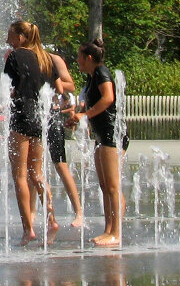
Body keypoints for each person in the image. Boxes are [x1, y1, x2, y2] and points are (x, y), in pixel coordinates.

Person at [3, 20, 58, 245]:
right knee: (36, 174)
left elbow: (7, 88)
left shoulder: (15, 57)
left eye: (11, 35)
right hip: (38, 117)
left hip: (21, 117)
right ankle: (52, 219)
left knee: (19, 176)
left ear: (21, 38)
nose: (8, 39)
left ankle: (28, 229)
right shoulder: (43, 57)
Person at [69, 39, 122, 247]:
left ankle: (116, 233)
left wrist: (85, 115)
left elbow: (108, 98)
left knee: (112, 187)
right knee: (104, 186)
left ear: (89, 58)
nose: (77, 60)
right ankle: (108, 230)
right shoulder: (93, 77)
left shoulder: (101, 72)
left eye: (80, 56)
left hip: (111, 135)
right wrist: (79, 118)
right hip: (101, 135)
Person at [48, 52, 84, 228]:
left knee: (60, 164)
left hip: (51, 113)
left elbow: (70, 85)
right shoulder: (16, 56)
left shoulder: (53, 59)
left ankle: (79, 212)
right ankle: (32, 214)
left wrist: (47, 81)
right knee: (29, 166)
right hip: (29, 113)